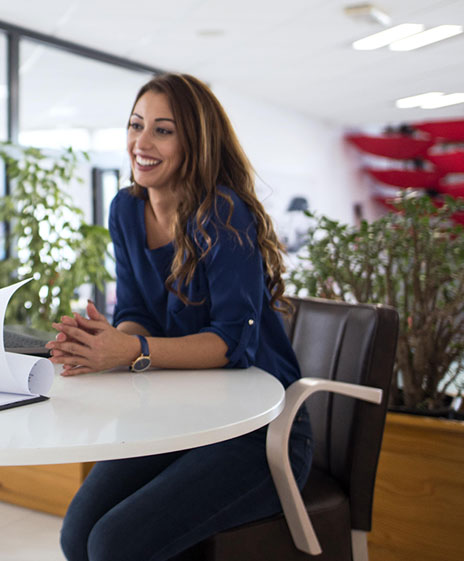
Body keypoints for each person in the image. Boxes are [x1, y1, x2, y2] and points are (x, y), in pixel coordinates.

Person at [49, 72, 313, 561]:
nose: (141, 143)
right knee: (76, 534)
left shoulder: (224, 214)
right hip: (180, 417)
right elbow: (135, 312)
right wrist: (106, 342)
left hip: (259, 431)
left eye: (162, 130)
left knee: (114, 544)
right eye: (135, 124)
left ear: (195, 141)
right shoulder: (126, 209)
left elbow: (235, 343)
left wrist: (131, 349)